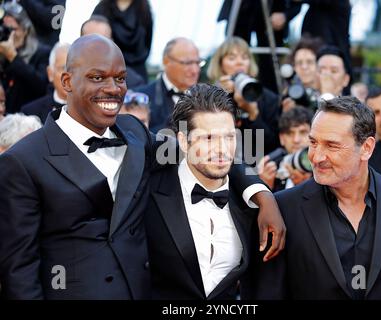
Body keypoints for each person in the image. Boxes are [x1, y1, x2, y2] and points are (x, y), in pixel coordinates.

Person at [0, 34, 285, 300]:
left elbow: (207, 153)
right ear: (67, 81)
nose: (112, 89)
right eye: (97, 78)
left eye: (120, 78)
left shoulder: (134, 132)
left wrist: (261, 193)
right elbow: (19, 272)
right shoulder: (23, 161)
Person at [145, 83, 284, 300]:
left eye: (229, 137)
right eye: (208, 138)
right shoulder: (149, 192)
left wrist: (264, 195)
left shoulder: (251, 203)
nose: (221, 148)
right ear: (183, 141)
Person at [274, 96, 381, 299]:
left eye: (331, 146)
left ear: (366, 148)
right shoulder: (282, 208)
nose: (316, 157)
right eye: (313, 143)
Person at [207, 36, 280, 155]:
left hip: (256, 166)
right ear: (220, 64)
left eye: (245, 57)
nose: (239, 62)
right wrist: (220, 95)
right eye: (232, 58)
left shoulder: (267, 97)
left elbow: (273, 144)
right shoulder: (210, 94)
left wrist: (253, 114)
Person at [217, 0, 301, 93]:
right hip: (240, 13)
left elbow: (297, 3)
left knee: (269, 65)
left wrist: (285, 15)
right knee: (235, 54)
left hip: (272, 16)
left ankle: (268, 99)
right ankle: (229, 92)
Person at [135, 37, 203, 133]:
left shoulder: (205, 98)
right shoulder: (141, 97)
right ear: (166, 61)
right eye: (188, 63)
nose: (195, 70)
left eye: (198, 62)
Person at [0, 1, 50, 113]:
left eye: (12, 30)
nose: (9, 35)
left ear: (25, 30)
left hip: (29, 120)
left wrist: (13, 56)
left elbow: (41, 87)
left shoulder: (42, 53)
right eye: (5, 30)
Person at [91, 0, 153, 82]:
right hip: (107, 67)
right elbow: (92, 38)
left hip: (137, 68)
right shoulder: (102, 8)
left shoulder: (144, 10)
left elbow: (148, 41)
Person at [80, 15, 146, 89]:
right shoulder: (70, 76)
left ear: (112, 43)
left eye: (104, 41)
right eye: (92, 41)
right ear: (80, 43)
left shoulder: (131, 81)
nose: (98, 47)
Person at [258, 106, 313, 191]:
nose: (296, 140)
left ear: (313, 136)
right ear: (282, 138)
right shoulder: (271, 170)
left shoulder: (322, 169)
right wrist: (265, 188)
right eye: (290, 133)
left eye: (303, 132)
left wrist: (307, 187)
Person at [21, 42, 69, 123]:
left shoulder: (91, 109)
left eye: (74, 68)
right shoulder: (30, 113)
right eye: (63, 68)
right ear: (50, 73)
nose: (69, 75)